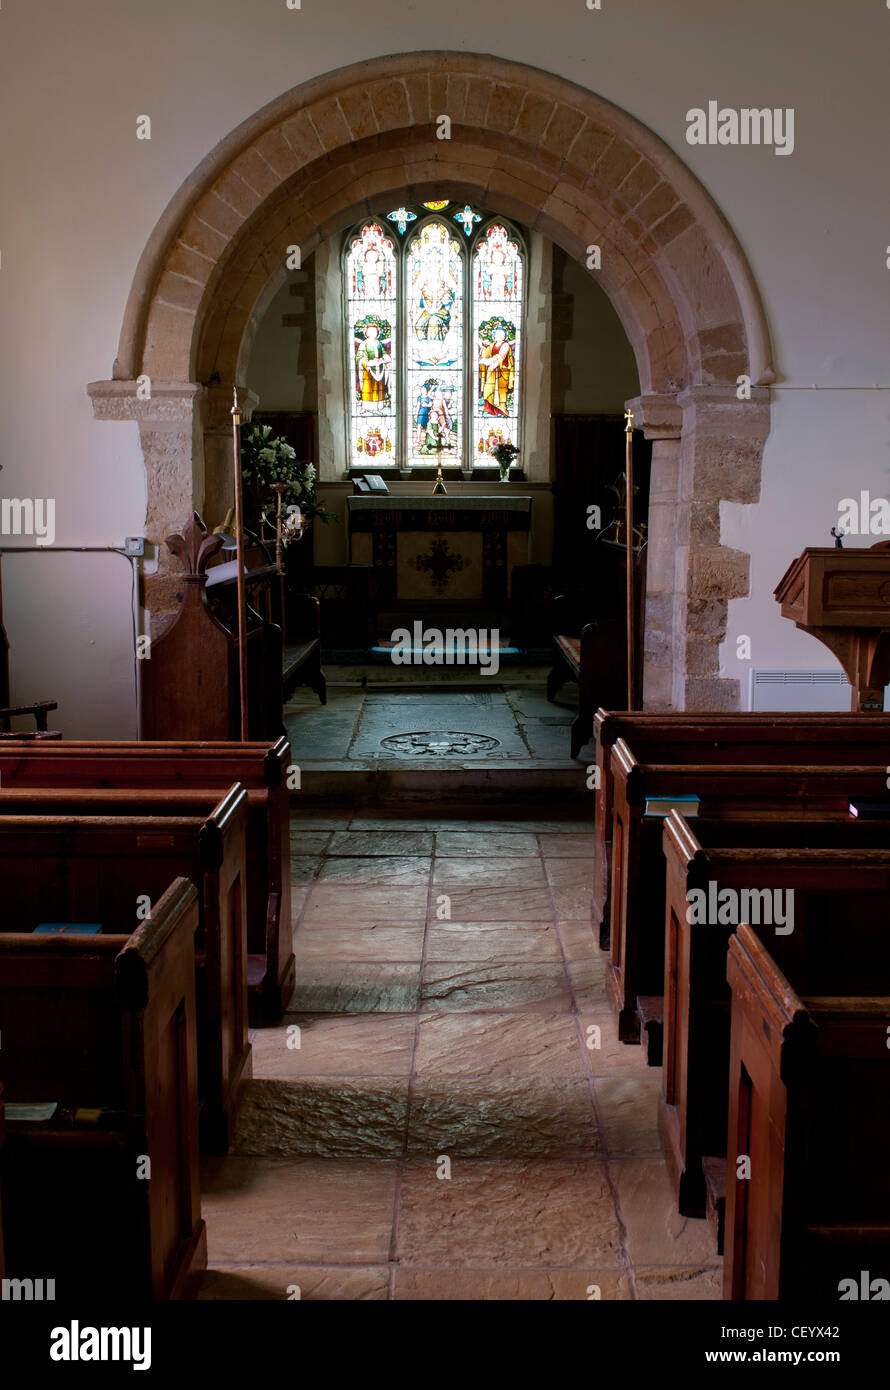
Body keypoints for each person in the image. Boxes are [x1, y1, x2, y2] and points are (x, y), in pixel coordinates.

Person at [478, 326, 514, 416]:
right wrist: (483, 349)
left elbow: (501, 356)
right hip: (492, 371)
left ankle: (501, 411)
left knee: (501, 392)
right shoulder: (492, 345)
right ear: (494, 335)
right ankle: (488, 409)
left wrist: (491, 364)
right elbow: (486, 353)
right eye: (498, 333)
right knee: (488, 389)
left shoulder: (505, 345)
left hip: (502, 371)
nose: (500, 335)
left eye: (502, 334)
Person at [355, 322, 390, 405]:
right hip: (368, 370)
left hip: (379, 370)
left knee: (378, 389)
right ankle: (366, 407)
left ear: (377, 332)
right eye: (370, 331)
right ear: (366, 333)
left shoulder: (379, 344)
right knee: (368, 388)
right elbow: (360, 357)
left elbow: (384, 353)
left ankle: (377, 407)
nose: (372, 333)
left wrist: (384, 358)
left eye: (374, 331)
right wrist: (367, 362)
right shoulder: (364, 344)